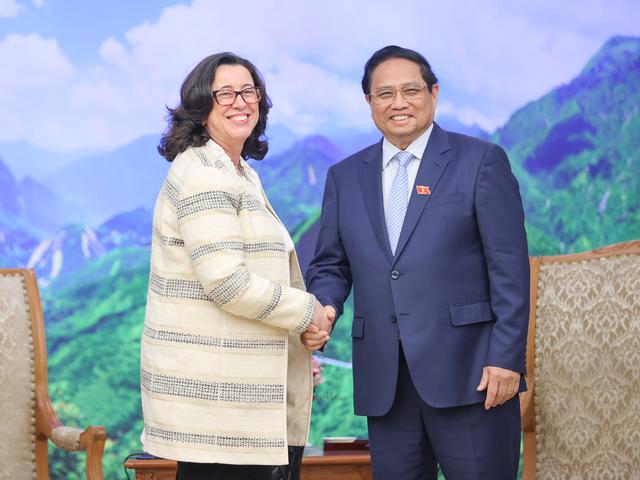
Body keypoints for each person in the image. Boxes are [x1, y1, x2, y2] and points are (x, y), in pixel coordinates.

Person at [303, 45, 530, 479]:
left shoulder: (480, 161)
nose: (398, 102)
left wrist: (507, 359)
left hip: (473, 376)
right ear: (369, 102)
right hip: (386, 383)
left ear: (433, 93)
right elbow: (331, 264)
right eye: (384, 93)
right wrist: (325, 308)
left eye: (410, 90)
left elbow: (510, 270)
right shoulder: (345, 177)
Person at [140, 52, 331, 480]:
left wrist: (299, 332)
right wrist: (307, 312)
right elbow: (227, 282)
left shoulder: (237, 170)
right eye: (223, 93)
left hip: (234, 401)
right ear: (199, 106)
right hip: (217, 406)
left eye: (249, 91)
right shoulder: (204, 174)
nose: (239, 101)